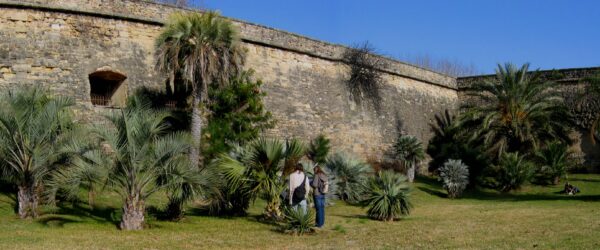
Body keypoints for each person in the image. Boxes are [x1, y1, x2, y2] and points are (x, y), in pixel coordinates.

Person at [311, 164, 328, 228]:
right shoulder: (324, 175)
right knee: (322, 209)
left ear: (315, 170)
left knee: (318, 209)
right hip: (323, 194)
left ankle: (319, 224)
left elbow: (314, 185)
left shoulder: (316, 175)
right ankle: (322, 223)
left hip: (317, 194)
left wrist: (310, 183)